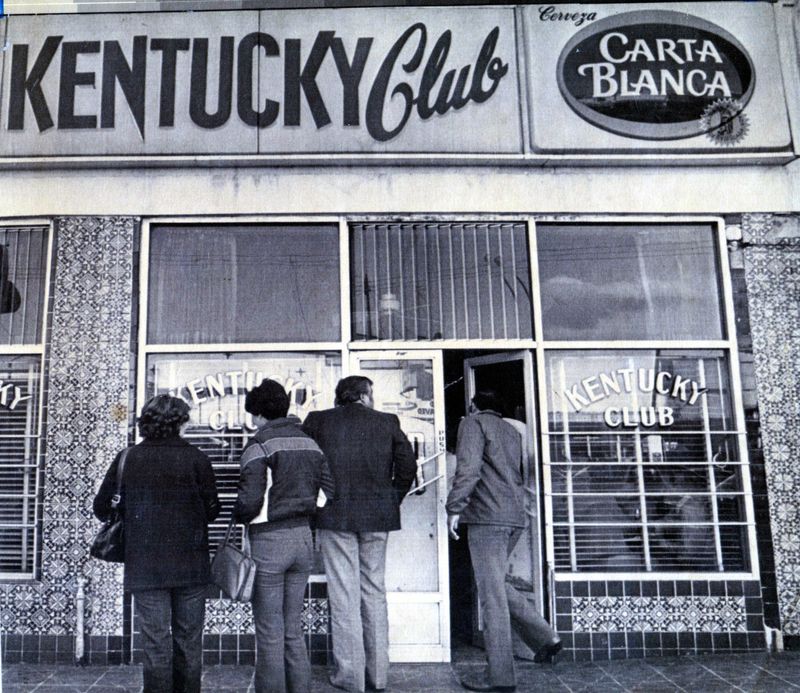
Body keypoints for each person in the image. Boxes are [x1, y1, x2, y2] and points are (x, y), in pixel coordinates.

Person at [93, 394, 220, 693]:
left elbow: (102, 507)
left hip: (145, 565)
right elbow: (212, 510)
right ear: (179, 423)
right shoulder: (197, 458)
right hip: (191, 565)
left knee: (155, 643)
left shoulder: (128, 458)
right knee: (189, 641)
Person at [303, 376, 416, 693]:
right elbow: (407, 467)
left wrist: (316, 502)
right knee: (374, 591)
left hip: (334, 516)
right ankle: (378, 675)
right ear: (365, 396)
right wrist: (391, 499)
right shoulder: (387, 421)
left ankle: (350, 676)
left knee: (343, 595)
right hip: (377, 518)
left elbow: (306, 466)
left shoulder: (317, 421)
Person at [447, 390, 561, 693]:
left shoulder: (472, 423)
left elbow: (468, 469)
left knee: (491, 595)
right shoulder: (511, 431)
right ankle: (545, 636)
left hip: (487, 518)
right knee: (495, 583)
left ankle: (500, 677)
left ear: (473, 406)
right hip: (513, 516)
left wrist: (454, 507)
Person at [233, 379, 335, 693]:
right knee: (292, 627)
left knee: (269, 630)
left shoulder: (258, 444)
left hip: (269, 542)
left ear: (258, 413)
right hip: (303, 539)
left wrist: (240, 516)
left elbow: (249, 501)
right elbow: (328, 492)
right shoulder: (310, 443)